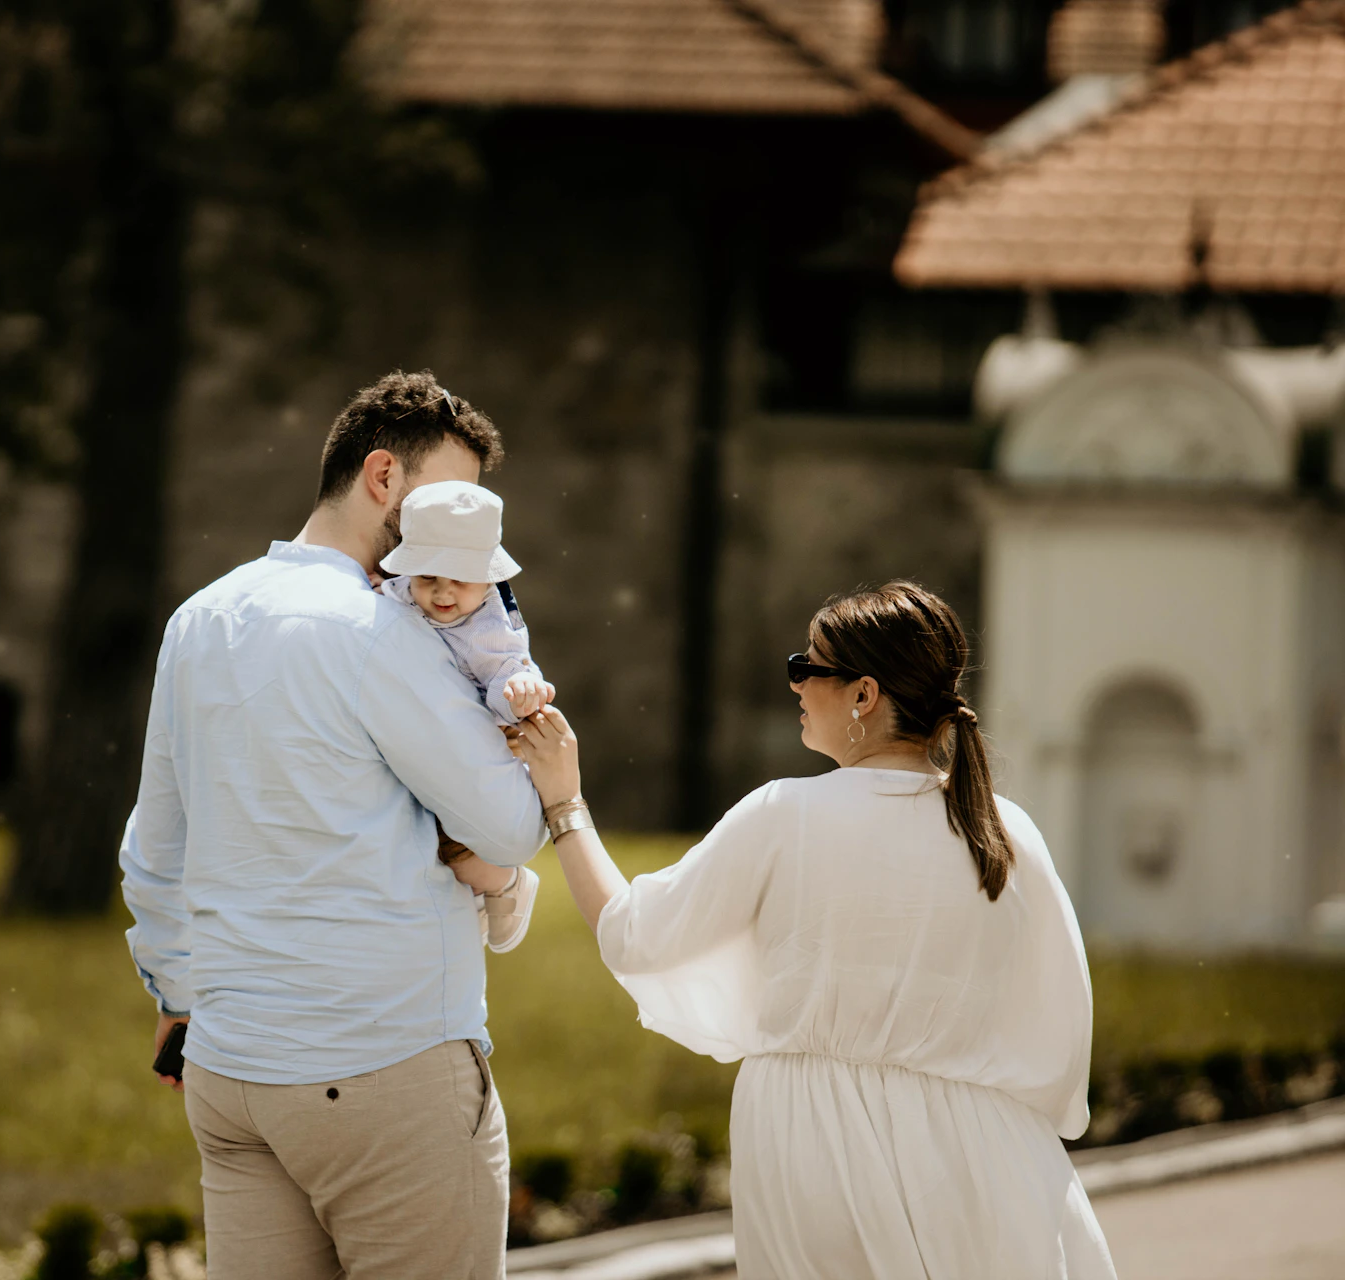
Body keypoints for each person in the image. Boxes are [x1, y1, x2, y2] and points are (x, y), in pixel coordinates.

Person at [509, 581, 1117, 1279]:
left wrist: (565, 802)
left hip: (819, 1143)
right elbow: (1059, 1029)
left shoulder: (784, 814)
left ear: (863, 695)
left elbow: (636, 935)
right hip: (992, 1148)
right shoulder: (1009, 831)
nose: (794, 683)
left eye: (808, 666)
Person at [119, 369, 549, 1280]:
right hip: (383, 1063)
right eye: (450, 499)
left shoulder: (199, 619)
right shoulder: (381, 633)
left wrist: (179, 1000)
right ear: (384, 478)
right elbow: (511, 825)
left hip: (233, 1072)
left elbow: (156, 850)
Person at [377, 478, 553, 952]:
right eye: (427, 577)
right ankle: (468, 898)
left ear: (489, 578)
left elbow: (507, 670)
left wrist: (518, 690)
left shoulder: (488, 627)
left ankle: (503, 883)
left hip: (478, 743)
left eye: (460, 578)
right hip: (422, 731)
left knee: (456, 848)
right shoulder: (400, 594)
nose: (442, 592)